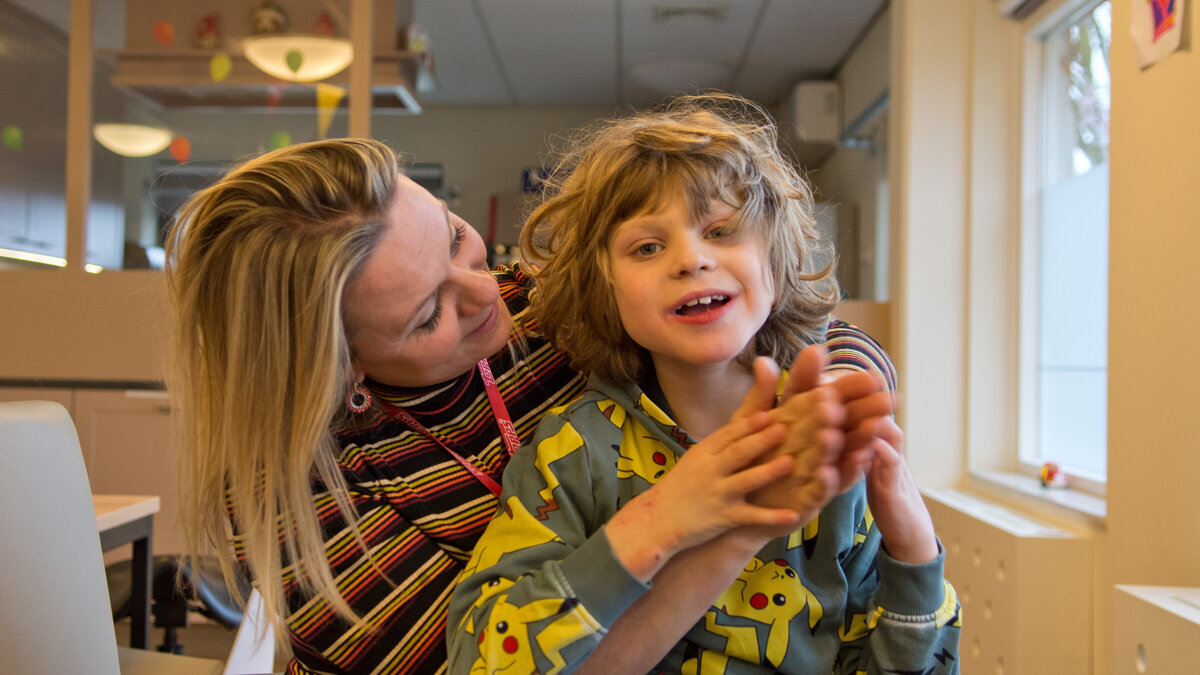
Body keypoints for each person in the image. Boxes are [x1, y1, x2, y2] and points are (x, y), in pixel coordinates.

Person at [165, 134, 900, 674]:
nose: (488, 290)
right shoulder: (296, 501)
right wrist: (701, 519)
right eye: (429, 314)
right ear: (341, 367)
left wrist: (836, 405)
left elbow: (794, 325)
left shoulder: (547, 307)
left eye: (455, 237)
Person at [447, 93, 960, 674]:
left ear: (774, 256)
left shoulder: (828, 450)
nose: (691, 259)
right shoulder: (573, 455)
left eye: (721, 231)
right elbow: (479, 661)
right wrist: (655, 526)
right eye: (647, 246)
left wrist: (914, 550)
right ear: (604, 287)